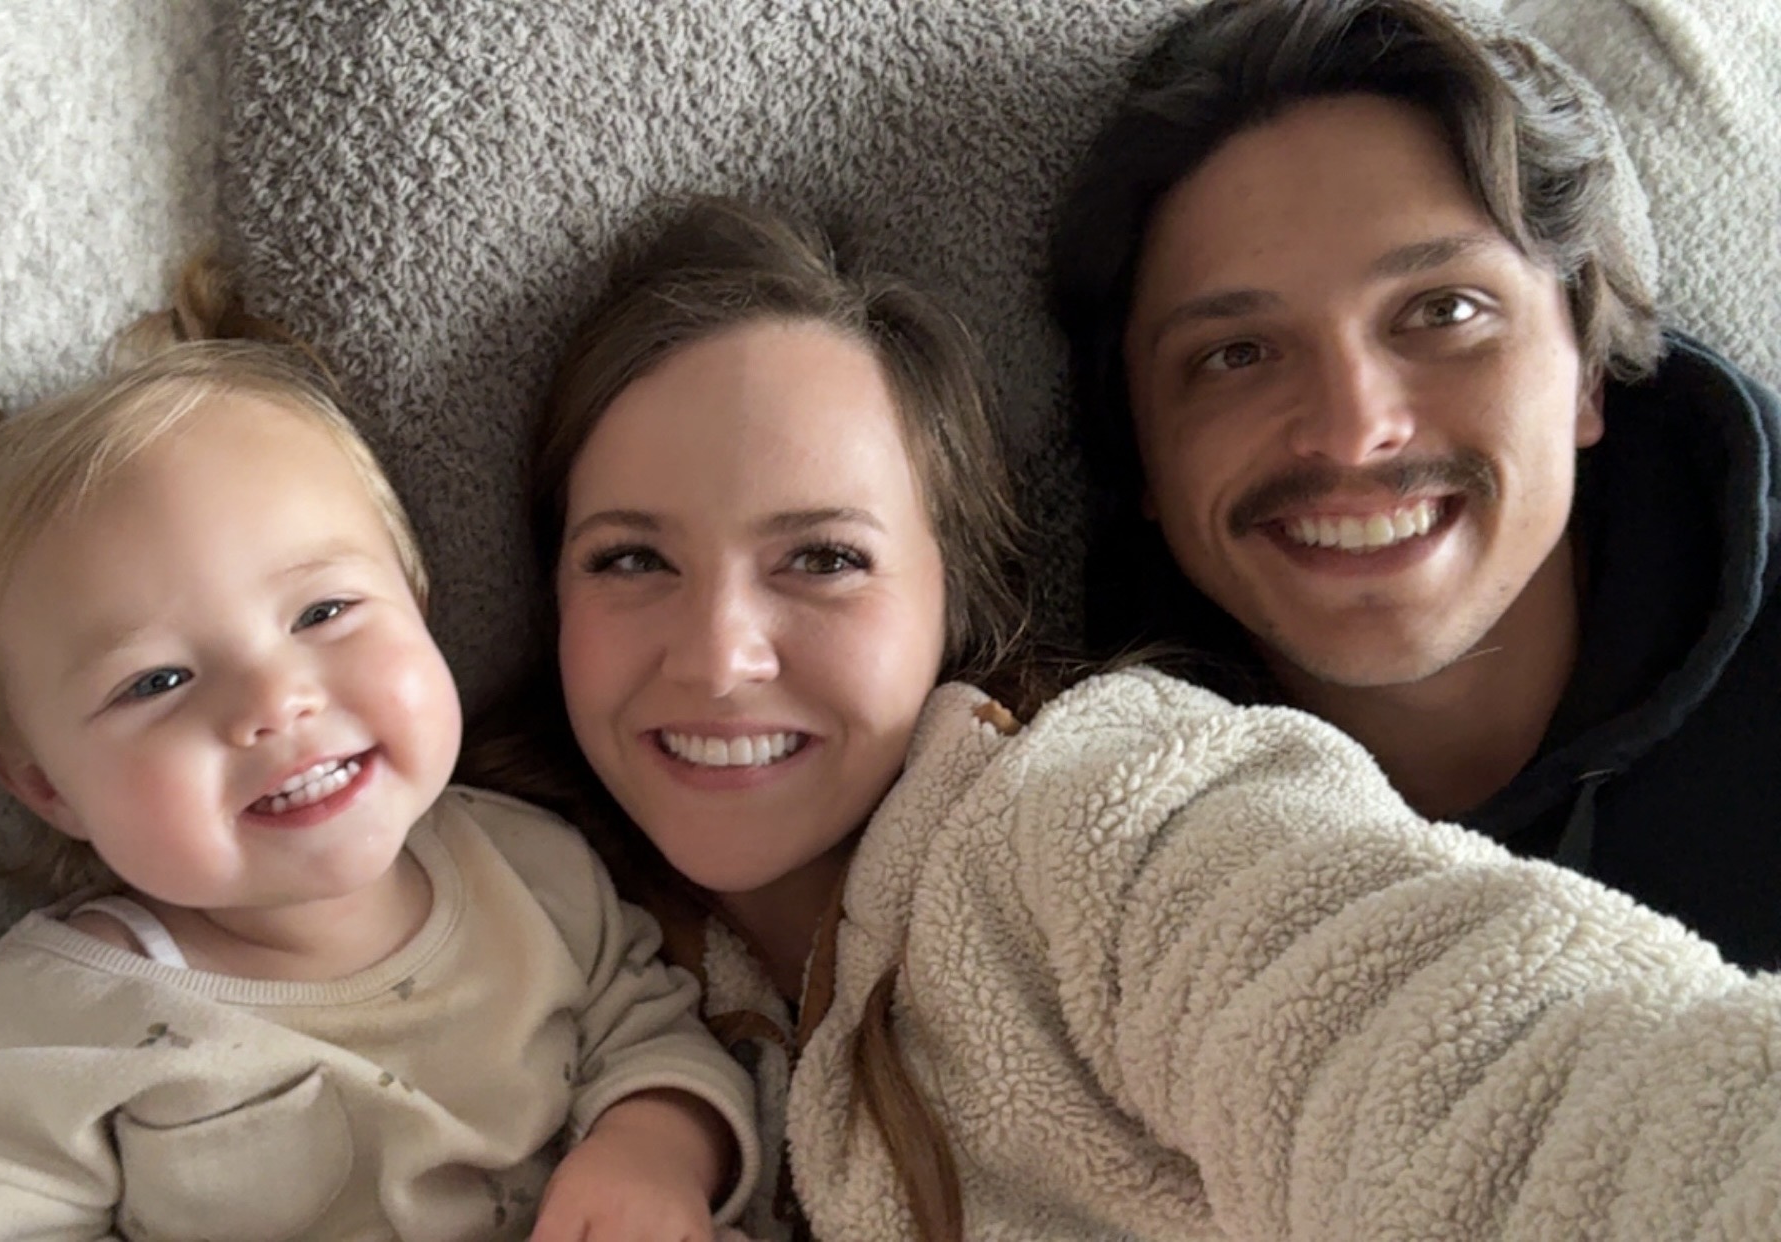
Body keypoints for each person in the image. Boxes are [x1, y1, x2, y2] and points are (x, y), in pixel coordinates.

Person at [463, 195, 1781, 1242]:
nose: (719, 655)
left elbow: (1496, 1068)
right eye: (632, 559)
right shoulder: (518, 939)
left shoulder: (1093, 821)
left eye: (823, 558)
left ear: (955, 600)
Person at [0, 262, 761, 1241]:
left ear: (419, 608)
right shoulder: (47, 1025)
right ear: (46, 787)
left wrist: (649, 1153)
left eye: (323, 612)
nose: (275, 704)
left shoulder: (533, 875)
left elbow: (657, 1041)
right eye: (158, 682)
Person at [1050, 0, 1781, 969]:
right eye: (1236, 354)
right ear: (1138, 449)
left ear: (1587, 373)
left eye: (1444, 310)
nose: (1354, 431)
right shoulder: (1092, 838)